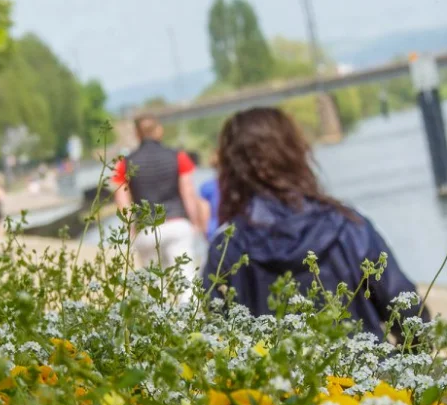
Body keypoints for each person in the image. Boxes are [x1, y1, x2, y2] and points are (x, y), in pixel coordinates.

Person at [205, 107, 424, 339]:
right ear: (294, 153)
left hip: (278, 374)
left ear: (231, 169)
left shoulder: (227, 247)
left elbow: (219, 338)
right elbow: (407, 310)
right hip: (363, 372)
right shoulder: (347, 226)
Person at [114, 117, 210, 271]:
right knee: (186, 280)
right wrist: (196, 222)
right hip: (177, 223)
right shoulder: (178, 156)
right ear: (159, 130)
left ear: (137, 134)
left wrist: (130, 231)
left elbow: (122, 200)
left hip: (146, 229)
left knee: (155, 285)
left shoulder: (125, 164)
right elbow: (188, 192)